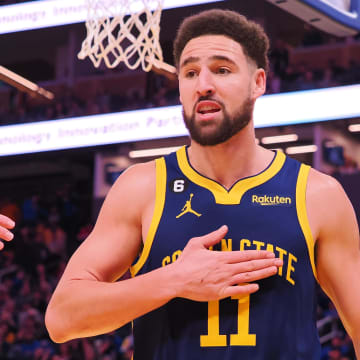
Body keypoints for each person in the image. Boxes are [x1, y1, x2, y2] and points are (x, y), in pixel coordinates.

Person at [45, 9, 360, 360]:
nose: (203, 84)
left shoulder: (317, 194)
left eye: (222, 70)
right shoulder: (142, 188)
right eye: (190, 72)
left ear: (258, 82)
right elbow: (62, 318)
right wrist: (174, 280)